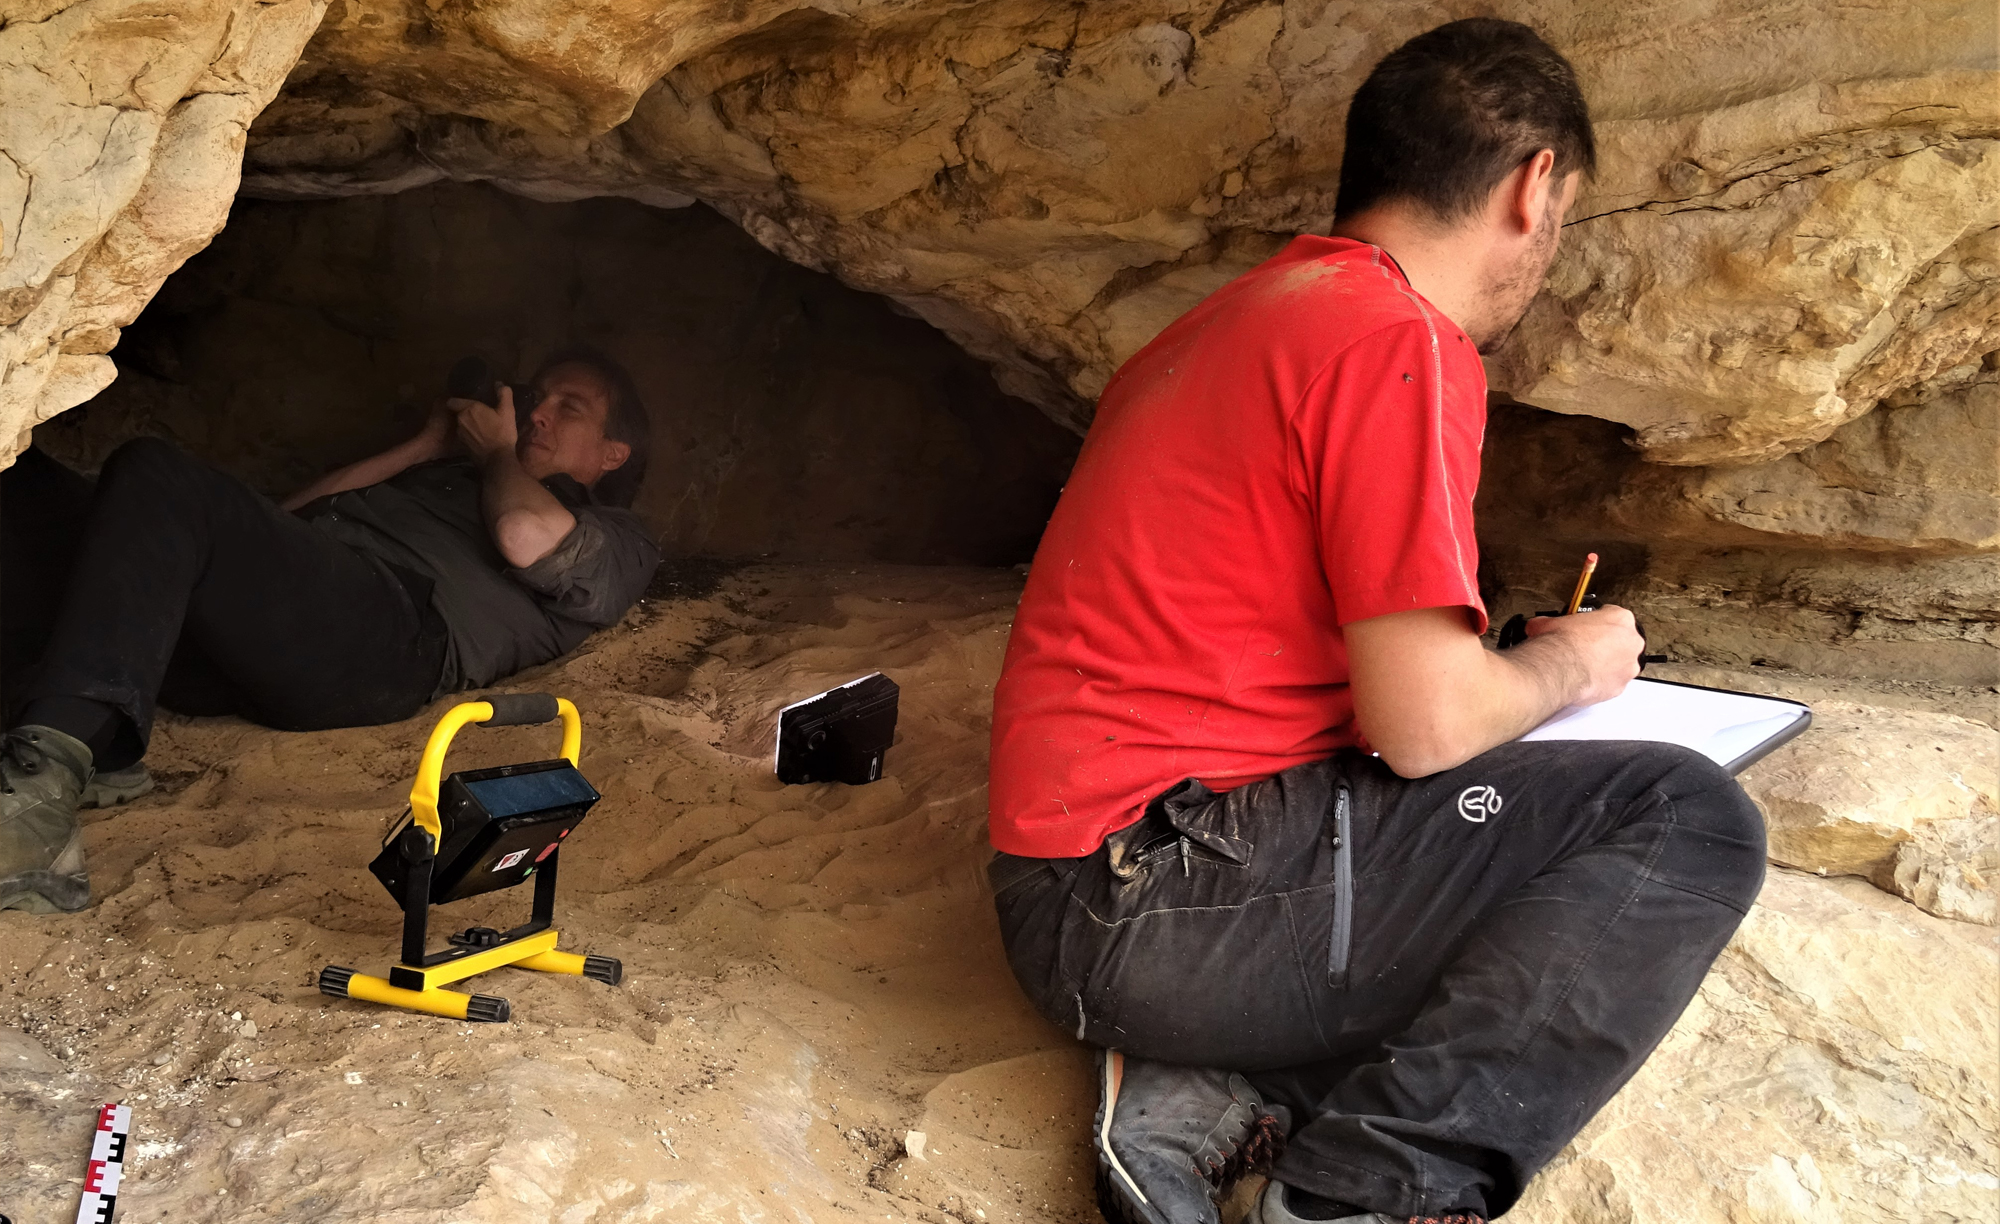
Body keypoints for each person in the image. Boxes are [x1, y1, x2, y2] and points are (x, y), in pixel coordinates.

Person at [985, 19, 1765, 1224]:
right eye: (1560, 220)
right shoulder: (1393, 339)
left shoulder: (1230, 320)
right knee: (1678, 817)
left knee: (1498, 795)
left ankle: (1202, 1086)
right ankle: (1355, 1198)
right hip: (1150, 903)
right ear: (1532, 184)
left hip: (1093, 882)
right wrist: (1570, 658)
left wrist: (1497, 673)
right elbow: (1425, 725)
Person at [0, 346, 661, 914]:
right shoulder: (461, 474)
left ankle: (39, 802)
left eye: (568, 407)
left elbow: (524, 537)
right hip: (275, 629)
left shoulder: (620, 538)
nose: (538, 411)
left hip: (390, 640)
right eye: (537, 395)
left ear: (613, 453)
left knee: (154, 468)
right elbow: (267, 519)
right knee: (21, 478)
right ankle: (99, 740)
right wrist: (428, 446)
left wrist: (496, 456)